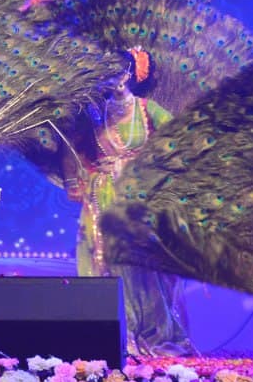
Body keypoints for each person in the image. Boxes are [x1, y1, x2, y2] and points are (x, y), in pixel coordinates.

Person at [63, 48, 194, 356]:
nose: (115, 79)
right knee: (105, 263)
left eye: (119, 72)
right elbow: (70, 148)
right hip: (102, 198)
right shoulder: (96, 114)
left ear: (130, 74)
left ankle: (150, 332)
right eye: (108, 73)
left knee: (142, 270)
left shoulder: (149, 111)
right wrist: (77, 180)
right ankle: (120, 333)